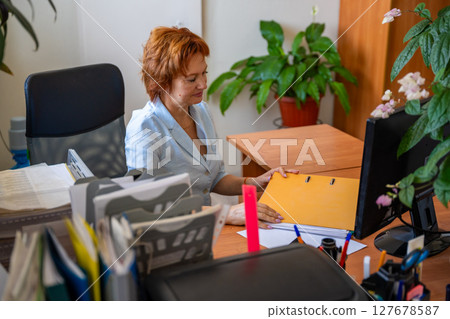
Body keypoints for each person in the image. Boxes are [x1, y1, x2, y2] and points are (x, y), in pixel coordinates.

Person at [125, 26, 297, 228]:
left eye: (204, 73)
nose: (204, 84)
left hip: (207, 226)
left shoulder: (201, 111)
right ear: (162, 81)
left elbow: (213, 179)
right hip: (172, 232)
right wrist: (226, 213)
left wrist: (253, 182)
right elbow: (149, 206)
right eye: (192, 79)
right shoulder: (144, 127)